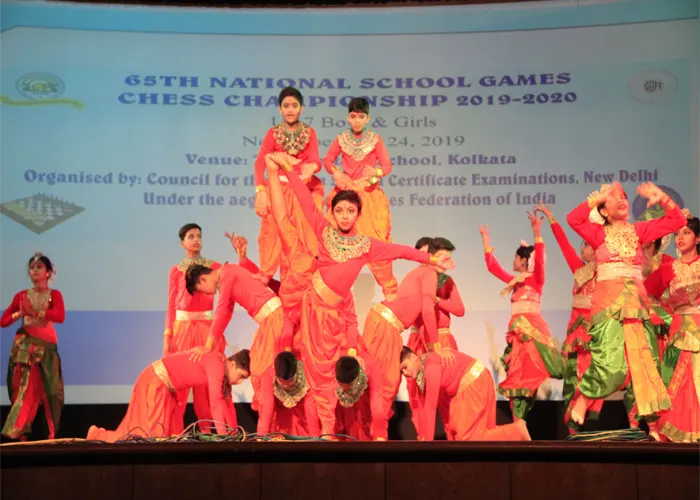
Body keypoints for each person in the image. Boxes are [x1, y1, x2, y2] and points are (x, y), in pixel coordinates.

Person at [266, 152, 455, 435]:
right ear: (333, 213)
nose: (345, 215)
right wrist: (285, 169)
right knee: (318, 380)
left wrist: (430, 259)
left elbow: (400, 251)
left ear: (358, 214)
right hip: (312, 310)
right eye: (340, 210)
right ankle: (323, 434)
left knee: (330, 378)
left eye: (350, 211)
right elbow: (304, 200)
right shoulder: (324, 232)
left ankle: (330, 433)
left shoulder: (367, 245)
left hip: (333, 318)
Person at [566, 182, 686, 430]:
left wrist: (663, 198)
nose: (622, 199)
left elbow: (676, 221)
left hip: (636, 306)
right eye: (613, 197)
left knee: (643, 365)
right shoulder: (598, 234)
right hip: (608, 306)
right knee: (613, 368)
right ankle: (584, 398)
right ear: (603, 210)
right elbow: (573, 219)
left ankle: (650, 426)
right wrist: (598, 197)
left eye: (623, 196)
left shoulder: (638, 231)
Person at [479, 211, 565, 420]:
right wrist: (485, 241)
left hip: (532, 333)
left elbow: (540, 261)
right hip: (518, 336)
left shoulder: (536, 279)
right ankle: (519, 422)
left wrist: (536, 231)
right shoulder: (515, 282)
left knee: (535, 371)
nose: (513, 261)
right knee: (517, 377)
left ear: (524, 260)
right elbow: (493, 268)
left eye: (515, 257)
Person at [361, 237, 457, 419]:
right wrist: (436, 347)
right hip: (385, 325)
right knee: (387, 382)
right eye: (443, 258)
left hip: (382, 322)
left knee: (378, 380)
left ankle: (373, 429)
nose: (448, 263)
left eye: (449, 258)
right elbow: (427, 311)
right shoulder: (428, 273)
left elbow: (425, 314)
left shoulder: (422, 273)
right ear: (432, 257)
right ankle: (376, 432)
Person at [535, 204, 603, 432]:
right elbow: (564, 245)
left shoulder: (605, 272)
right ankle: (573, 428)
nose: (582, 247)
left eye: (586, 244)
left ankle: (581, 416)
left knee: (589, 374)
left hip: (593, 332)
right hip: (575, 332)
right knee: (572, 376)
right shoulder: (579, 269)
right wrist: (552, 219)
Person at [322, 97, 398, 300]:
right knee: (333, 243)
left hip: (369, 197)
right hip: (347, 195)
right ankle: (331, 296)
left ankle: (391, 293)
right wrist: (337, 172)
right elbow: (327, 160)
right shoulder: (341, 139)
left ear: (367, 119)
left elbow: (387, 166)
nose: (357, 120)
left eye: (361, 117)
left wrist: (376, 172)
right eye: (353, 116)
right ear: (348, 118)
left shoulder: (375, 139)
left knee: (376, 244)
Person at [87, 350, 250, 442]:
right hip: (156, 381)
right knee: (150, 437)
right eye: (241, 376)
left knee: (171, 438)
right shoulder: (217, 363)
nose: (239, 382)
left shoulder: (221, 366)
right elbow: (215, 403)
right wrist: (224, 438)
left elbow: (224, 405)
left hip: (167, 390)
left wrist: (233, 435)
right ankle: (97, 435)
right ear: (232, 363)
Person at [185, 262, 284, 412]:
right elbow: (225, 314)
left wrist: (208, 346)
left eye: (201, 290)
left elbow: (222, 311)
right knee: (258, 369)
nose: (207, 294)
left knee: (261, 371)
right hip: (270, 322)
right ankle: (271, 420)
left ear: (203, 279)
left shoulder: (227, 274)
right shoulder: (227, 276)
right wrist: (210, 345)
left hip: (274, 320)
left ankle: (270, 421)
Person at [253, 87, 324, 286]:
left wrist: (311, 167)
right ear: (280, 109)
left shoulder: (309, 133)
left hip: (302, 189)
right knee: (272, 231)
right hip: (279, 190)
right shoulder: (273, 133)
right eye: (286, 106)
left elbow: (315, 160)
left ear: (301, 108)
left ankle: (306, 275)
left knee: (304, 233)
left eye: (294, 106)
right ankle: (266, 273)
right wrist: (260, 191)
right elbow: (260, 163)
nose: (290, 110)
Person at [644, 209, 700, 442]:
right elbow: (647, 293)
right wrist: (665, 314)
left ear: (698, 238)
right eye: (677, 234)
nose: (680, 238)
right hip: (678, 330)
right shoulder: (669, 269)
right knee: (677, 380)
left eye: (686, 233)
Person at [400, 347, 530, 441]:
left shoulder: (431, 365)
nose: (405, 373)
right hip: (470, 384)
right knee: (462, 432)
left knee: (468, 438)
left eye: (405, 367)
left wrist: (427, 442)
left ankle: (517, 431)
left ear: (413, 357)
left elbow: (430, 407)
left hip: (473, 382)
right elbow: (441, 405)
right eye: (402, 372)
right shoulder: (424, 370)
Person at [164, 224, 223, 427]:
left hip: (206, 330)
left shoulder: (214, 267)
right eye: (191, 236)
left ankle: (207, 432)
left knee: (206, 386)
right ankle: (173, 433)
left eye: (199, 235)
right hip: (182, 331)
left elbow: (226, 298)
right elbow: (171, 305)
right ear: (182, 243)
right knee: (179, 384)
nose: (196, 239)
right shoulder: (175, 271)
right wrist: (167, 337)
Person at [1, 253, 64, 440]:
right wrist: (20, 313)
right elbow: (3, 321)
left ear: (48, 272)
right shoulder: (21, 296)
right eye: (32, 268)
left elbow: (60, 316)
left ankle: (52, 437)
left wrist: (36, 312)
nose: (34, 271)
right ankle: (19, 437)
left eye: (39, 267)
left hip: (47, 350)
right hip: (26, 348)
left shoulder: (54, 295)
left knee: (52, 393)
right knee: (23, 392)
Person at [407, 237, 464, 356]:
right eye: (421, 255)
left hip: (442, 338)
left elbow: (459, 310)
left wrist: (436, 300)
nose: (425, 259)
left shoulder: (445, 280)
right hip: (419, 339)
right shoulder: (416, 277)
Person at [256, 352, 320, 437]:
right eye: (281, 381)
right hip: (281, 421)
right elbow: (267, 407)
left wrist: (315, 439)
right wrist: (261, 437)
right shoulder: (268, 376)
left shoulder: (307, 374)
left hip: (303, 419)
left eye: (290, 381)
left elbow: (310, 409)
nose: (286, 385)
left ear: (297, 371)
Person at [334, 355, 387, 441]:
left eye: (349, 386)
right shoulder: (335, 364)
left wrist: (379, 435)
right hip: (343, 415)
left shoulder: (371, 367)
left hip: (366, 415)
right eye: (342, 385)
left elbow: (376, 403)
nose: (345, 389)